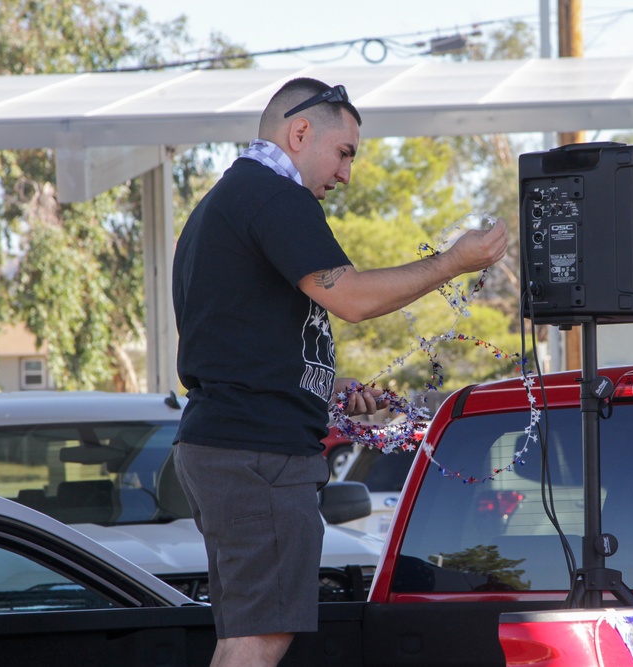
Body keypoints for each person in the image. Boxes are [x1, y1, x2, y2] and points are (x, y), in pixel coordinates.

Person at [170, 77, 508, 666]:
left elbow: (240, 346)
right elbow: (349, 298)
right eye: (345, 152)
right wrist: (454, 261)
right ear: (299, 132)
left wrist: (326, 388)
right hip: (256, 452)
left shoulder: (226, 202)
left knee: (248, 631)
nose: (346, 173)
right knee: (259, 636)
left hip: (228, 443)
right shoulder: (274, 196)